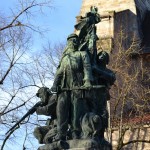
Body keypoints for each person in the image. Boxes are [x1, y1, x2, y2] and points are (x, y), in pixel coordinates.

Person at [51, 33, 93, 141]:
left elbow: (87, 68)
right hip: (64, 89)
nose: (73, 42)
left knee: (76, 112)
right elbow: (59, 73)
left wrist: (87, 81)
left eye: (75, 40)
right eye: (71, 40)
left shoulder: (82, 54)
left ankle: (76, 133)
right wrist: (55, 84)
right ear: (68, 43)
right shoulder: (65, 58)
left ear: (78, 42)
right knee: (61, 110)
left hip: (77, 88)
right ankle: (61, 133)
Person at [92, 51, 116, 138]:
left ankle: (101, 135)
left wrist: (97, 71)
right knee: (92, 113)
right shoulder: (92, 68)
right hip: (92, 94)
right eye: (100, 54)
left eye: (104, 55)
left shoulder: (108, 71)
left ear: (107, 60)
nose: (102, 56)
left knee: (103, 115)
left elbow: (112, 78)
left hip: (102, 94)